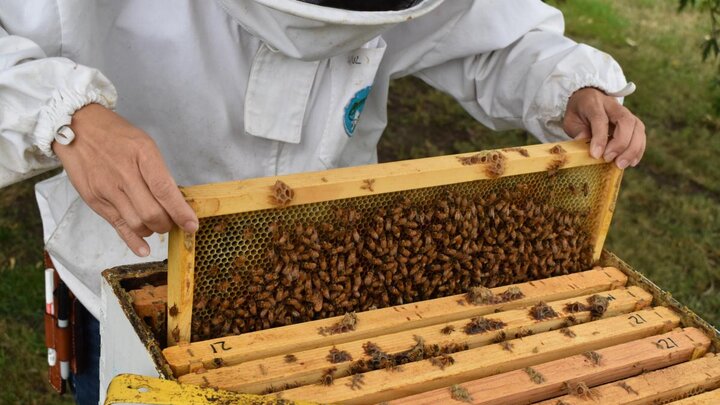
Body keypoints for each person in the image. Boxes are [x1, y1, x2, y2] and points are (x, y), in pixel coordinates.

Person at [0, 0, 646, 403]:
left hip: (332, 270)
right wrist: (62, 114)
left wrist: (565, 82)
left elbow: (491, 32)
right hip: (136, 266)